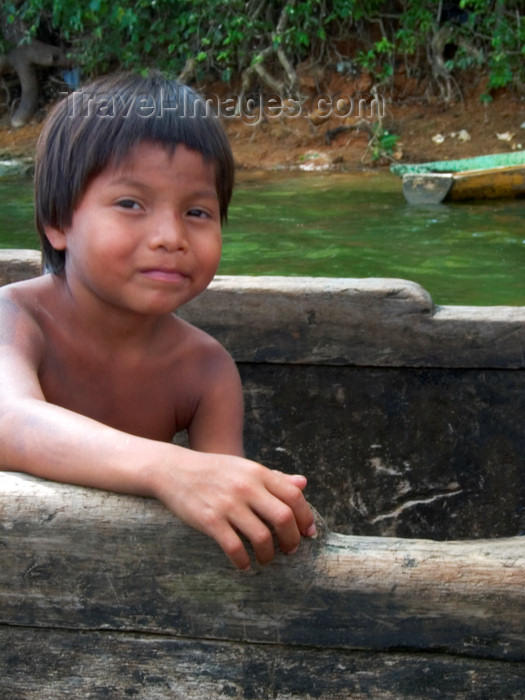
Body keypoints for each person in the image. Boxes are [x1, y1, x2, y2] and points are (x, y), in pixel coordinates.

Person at [0, 72, 315, 571]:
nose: (170, 236)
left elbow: (222, 498)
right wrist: (171, 469)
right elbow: (7, 420)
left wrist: (268, 502)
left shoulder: (205, 371)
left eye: (197, 211)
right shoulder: (15, 319)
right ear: (58, 222)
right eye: (131, 204)